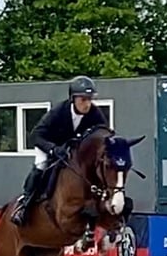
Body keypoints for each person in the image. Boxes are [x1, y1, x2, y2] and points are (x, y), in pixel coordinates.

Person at [10, 75, 109, 226]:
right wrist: (52, 149)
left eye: (89, 99)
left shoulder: (94, 114)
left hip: (73, 150)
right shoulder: (59, 112)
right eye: (83, 100)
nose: (87, 104)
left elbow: (104, 132)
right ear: (73, 99)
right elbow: (36, 135)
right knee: (41, 166)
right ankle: (24, 205)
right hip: (49, 145)